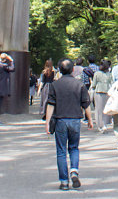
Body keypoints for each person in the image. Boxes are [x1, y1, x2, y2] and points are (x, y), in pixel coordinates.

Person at [45, 58, 93, 190]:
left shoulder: (55, 85)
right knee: (74, 148)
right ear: (73, 69)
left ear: (59, 69)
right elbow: (86, 104)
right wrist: (90, 120)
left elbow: (51, 104)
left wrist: (47, 122)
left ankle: (64, 182)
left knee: (61, 151)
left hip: (60, 120)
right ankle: (74, 171)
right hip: (75, 120)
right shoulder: (79, 85)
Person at [89, 60, 114, 133]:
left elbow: (93, 84)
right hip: (107, 92)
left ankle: (100, 125)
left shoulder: (97, 73)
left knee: (99, 109)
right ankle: (105, 124)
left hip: (98, 92)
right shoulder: (109, 74)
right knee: (106, 109)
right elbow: (111, 83)